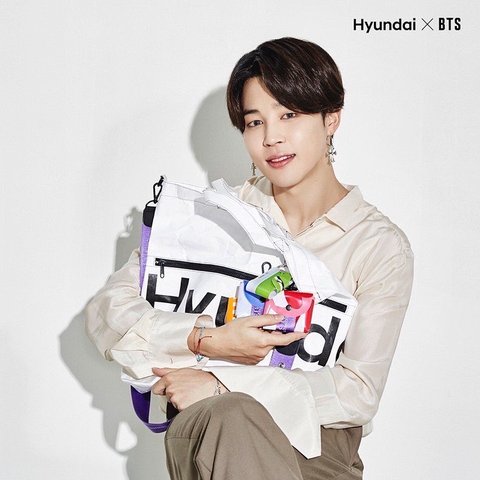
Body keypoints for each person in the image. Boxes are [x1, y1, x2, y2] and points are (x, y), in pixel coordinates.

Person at [86, 37, 414, 480]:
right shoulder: (211, 218)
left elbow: (359, 391)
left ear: (331, 118)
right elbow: (107, 312)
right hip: (212, 432)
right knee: (231, 416)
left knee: (234, 408)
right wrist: (204, 339)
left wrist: (223, 383)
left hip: (320, 450)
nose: (271, 137)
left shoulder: (377, 245)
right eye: (254, 121)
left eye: (289, 115)